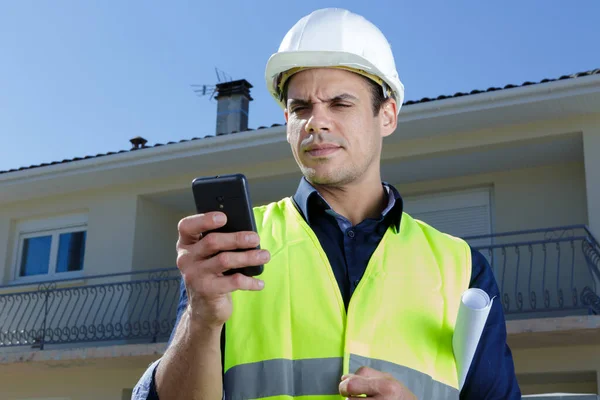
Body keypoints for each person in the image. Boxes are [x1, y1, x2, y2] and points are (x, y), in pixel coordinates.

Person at [133, 8, 521, 400]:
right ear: (286, 121)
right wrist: (200, 318)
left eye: (339, 103)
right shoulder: (233, 248)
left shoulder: (463, 268)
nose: (315, 123)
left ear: (386, 116)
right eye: (301, 108)